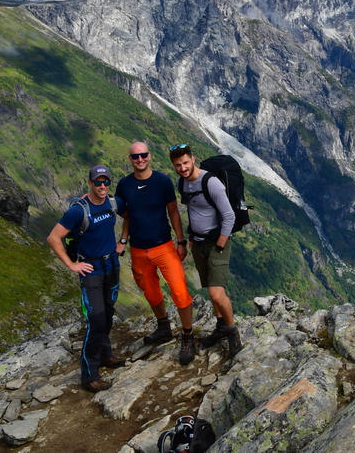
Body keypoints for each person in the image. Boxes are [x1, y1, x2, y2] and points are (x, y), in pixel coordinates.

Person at [46, 165, 127, 393]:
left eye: (106, 182)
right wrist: (71, 265)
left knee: (108, 314)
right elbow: (54, 238)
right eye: (98, 182)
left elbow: (128, 214)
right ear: (90, 183)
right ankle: (89, 376)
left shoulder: (113, 203)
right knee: (96, 320)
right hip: (91, 271)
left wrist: (123, 241)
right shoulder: (78, 211)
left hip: (111, 265)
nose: (102, 186)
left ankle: (106, 355)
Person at [115, 142, 196, 365]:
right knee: (150, 293)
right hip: (139, 249)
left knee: (180, 291)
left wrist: (180, 241)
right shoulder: (124, 185)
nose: (140, 159)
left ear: (149, 156)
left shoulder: (162, 181)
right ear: (130, 159)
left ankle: (188, 336)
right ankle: (163, 327)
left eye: (143, 155)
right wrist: (123, 240)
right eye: (135, 156)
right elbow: (126, 215)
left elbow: (173, 212)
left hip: (164, 246)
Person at [169, 144, 242, 358]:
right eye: (178, 165)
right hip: (198, 243)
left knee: (216, 293)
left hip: (216, 243)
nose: (182, 168)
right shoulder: (181, 183)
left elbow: (229, 215)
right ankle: (221, 327)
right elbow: (193, 210)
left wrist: (220, 242)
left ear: (193, 159)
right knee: (211, 289)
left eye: (185, 162)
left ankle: (232, 333)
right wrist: (191, 239)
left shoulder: (211, 183)